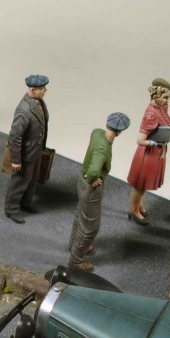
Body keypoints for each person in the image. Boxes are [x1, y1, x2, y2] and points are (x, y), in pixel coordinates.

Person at [68, 113, 131, 271]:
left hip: (81, 180)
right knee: (90, 228)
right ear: (119, 132)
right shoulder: (103, 148)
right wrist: (93, 178)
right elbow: (94, 170)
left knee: (80, 215)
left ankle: (74, 245)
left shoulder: (97, 132)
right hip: (90, 188)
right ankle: (75, 261)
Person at [126, 78, 170, 225]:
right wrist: (152, 142)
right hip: (148, 154)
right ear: (155, 96)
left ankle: (139, 206)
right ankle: (134, 210)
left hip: (156, 153)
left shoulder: (160, 109)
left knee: (144, 185)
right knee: (140, 185)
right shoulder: (151, 114)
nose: (167, 101)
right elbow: (140, 140)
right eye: (165, 97)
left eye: (168, 98)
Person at [4, 74, 50, 224]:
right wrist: (16, 160)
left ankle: (26, 202)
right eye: (42, 88)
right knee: (19, 181)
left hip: (35, 151)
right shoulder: (24, 110)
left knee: (32, 179)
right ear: (32, 90)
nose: (45, 90)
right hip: (25, 154)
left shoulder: (39, 102)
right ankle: (11, 209)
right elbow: (15, 136)